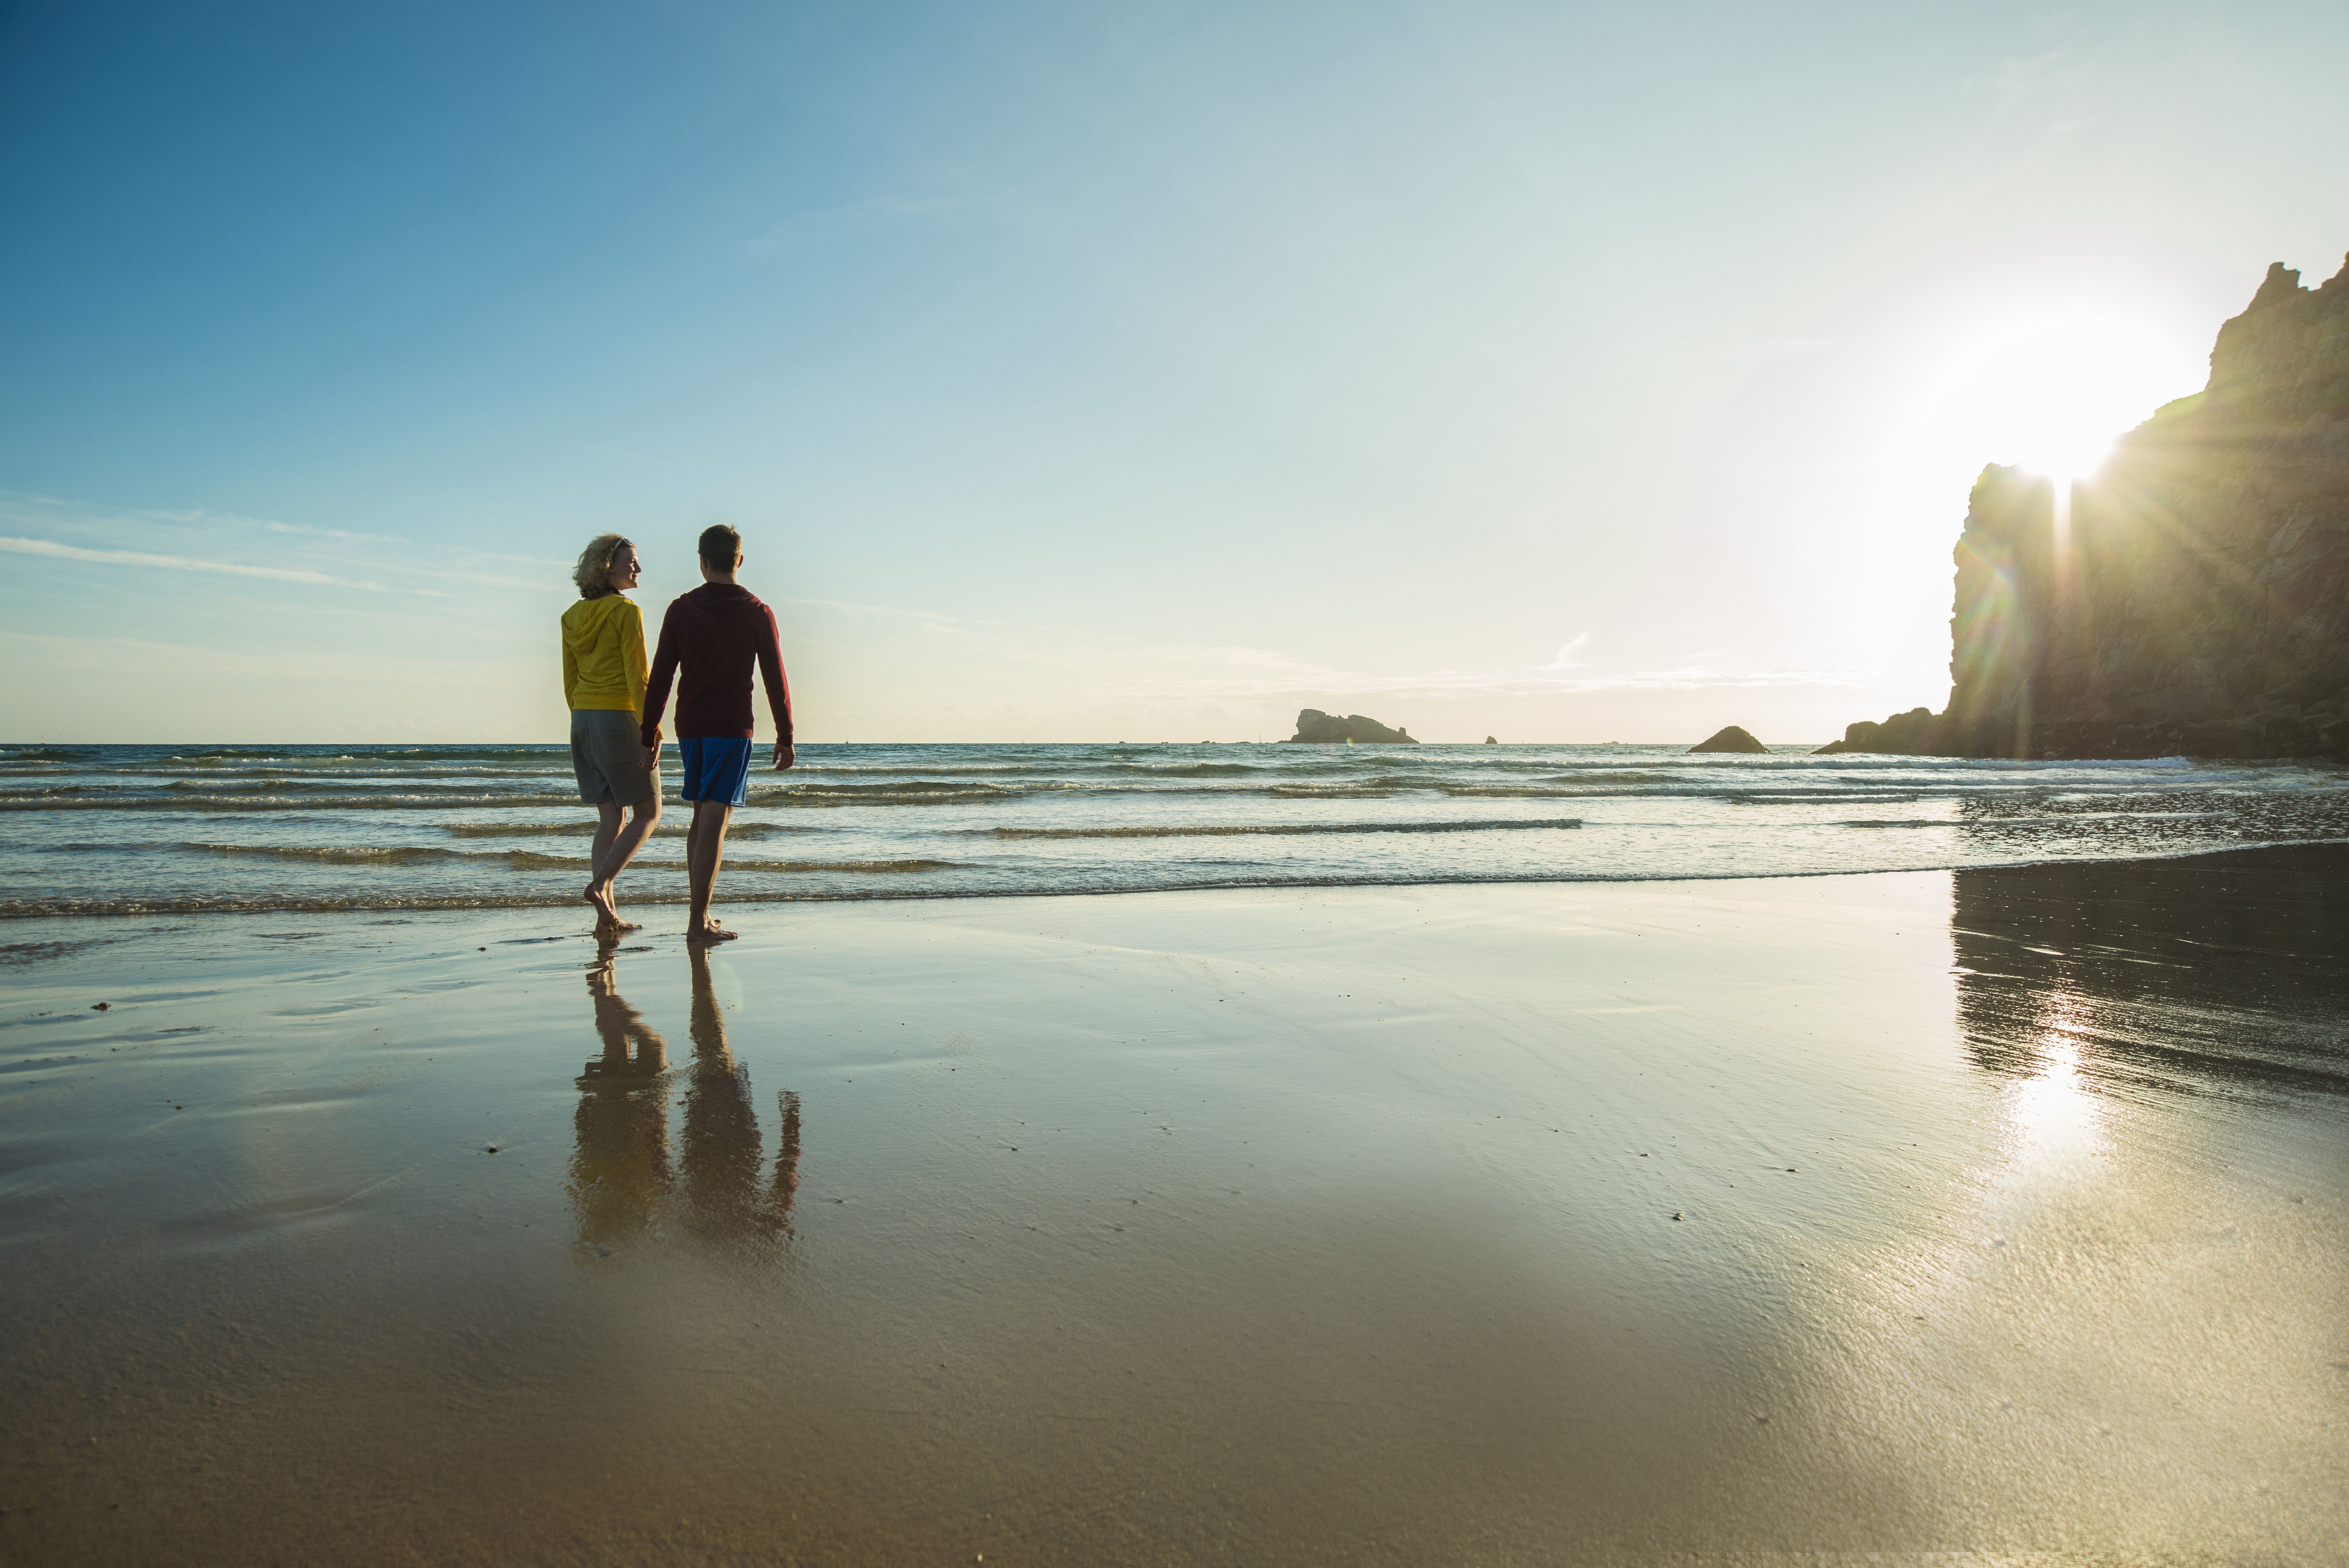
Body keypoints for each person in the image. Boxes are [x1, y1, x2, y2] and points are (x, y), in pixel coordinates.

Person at [638, 524, 794, 942]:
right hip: (730, 726)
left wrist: (648, 728)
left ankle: (701, 917)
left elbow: (661, 678)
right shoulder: (758, 611)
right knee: (714, 820)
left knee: (700, 817)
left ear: (702, 561)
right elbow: (775, 679)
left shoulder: (679, 609)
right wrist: (786, 733)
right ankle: (696, 924)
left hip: (690, 726)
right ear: (739, 560)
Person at [561, 534, 662, 932]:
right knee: (649, 812)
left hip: (582, 719)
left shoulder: (571, 615)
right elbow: (639, 677)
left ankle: (608, 917)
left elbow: (569, 679)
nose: (637, 568)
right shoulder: (626, 612)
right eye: (631, 562)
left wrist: (582, 718)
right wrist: (650, 729)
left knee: (610, 817)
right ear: (609, 567)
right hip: (618, 716)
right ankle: (600, 885)